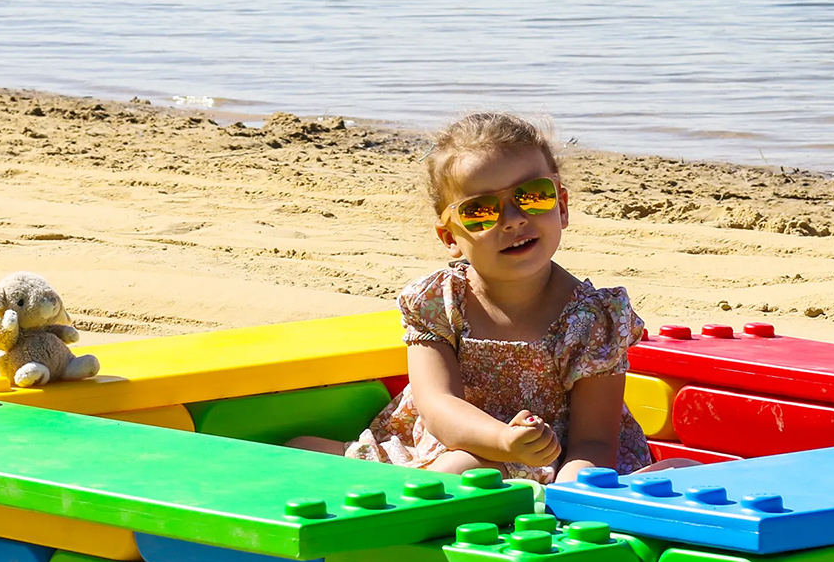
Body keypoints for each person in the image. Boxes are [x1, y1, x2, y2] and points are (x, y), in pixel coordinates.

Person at [294, 112, 689, 483]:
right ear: (450, 237)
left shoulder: (594, 319)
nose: (514, 219)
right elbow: (439, 407)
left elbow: (594, 443)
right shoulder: (437, 302)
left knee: (681, 470)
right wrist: (501, 440)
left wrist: (573, 494)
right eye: (481, 211)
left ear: (562, 206)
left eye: (533, 196)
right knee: (298, 450)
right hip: (457, 443)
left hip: (559, 459)